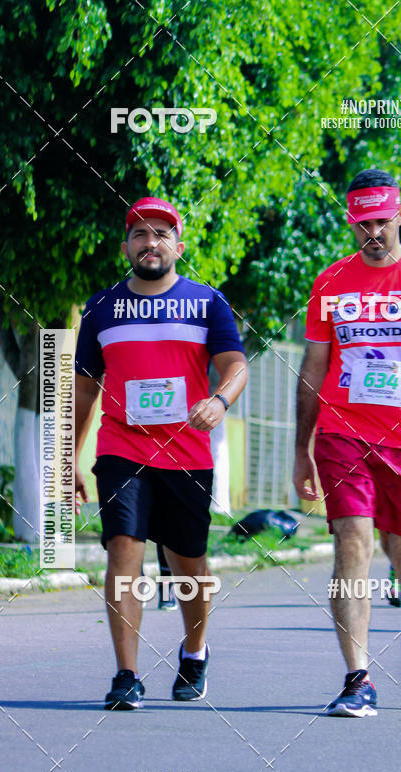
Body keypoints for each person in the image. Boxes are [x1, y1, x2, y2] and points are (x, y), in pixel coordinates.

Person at [293, 168, 401, 717]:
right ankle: (357, 677)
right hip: (344, 436)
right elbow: (314, 365)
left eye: (382, 221)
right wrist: (302, 447)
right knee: (353, 547)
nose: (373, 233)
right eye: (363, 223)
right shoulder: (330, 281)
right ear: (351, 222)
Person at [74, 197, 248, 709]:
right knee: (123, 549)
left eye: (161, 234)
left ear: (179, 244)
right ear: (127, 245)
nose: (151, 243)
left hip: (187, 453)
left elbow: (236, 364)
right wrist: (68, 458)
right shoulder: (102, 308)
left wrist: (219, 400)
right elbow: (85, 388)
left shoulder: (206, 302)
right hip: (122, 448)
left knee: (188, 562)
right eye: (140, 234)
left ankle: (194, 651)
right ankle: (126, 674)